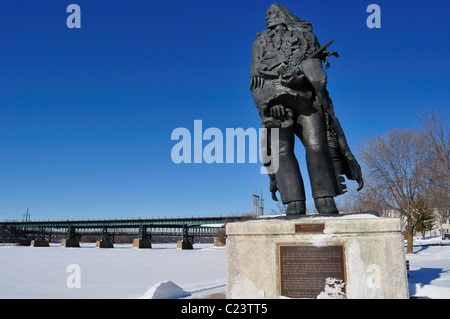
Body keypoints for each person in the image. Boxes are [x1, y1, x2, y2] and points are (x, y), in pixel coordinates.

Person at [251, 4, 363, 215]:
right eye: (266, 15)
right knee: (281, 150)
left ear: (284, 15)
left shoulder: (307, 36)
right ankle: (294, 203)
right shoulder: (260, 42)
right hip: (275, 104)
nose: (268, 17)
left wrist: (301, 78)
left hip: (306, 99)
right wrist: (269, 104)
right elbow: (255, 81)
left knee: (317, 146)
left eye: (273, 14)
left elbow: (316, 70)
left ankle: (324, 200)